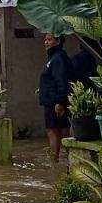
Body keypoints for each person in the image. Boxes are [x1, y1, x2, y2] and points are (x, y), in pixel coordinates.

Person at [39, 34, 74, 163]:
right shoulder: (54, 57)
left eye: (49, 39)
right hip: (52, 100)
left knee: (55, 131)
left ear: (58, 41)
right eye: (45, 40)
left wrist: (60, 101)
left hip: (55, 102)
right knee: (59, 130)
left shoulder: (58, 58)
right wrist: (42, 89)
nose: (46, 42)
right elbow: (53, 79)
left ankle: (56, 160)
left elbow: (62, 80)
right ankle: (64, 159)